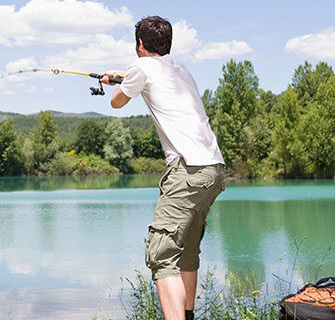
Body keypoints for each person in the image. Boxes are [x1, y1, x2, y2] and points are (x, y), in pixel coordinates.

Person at [101, 16, 226, 320]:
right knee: (186, 254)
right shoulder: (181, 69)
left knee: (161, 253)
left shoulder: (141, 68)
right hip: (214, 170)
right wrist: (123, 74)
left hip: (187, 172)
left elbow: (117, 102)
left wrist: (118, 80)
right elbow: (149, 75)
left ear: (139, 44)